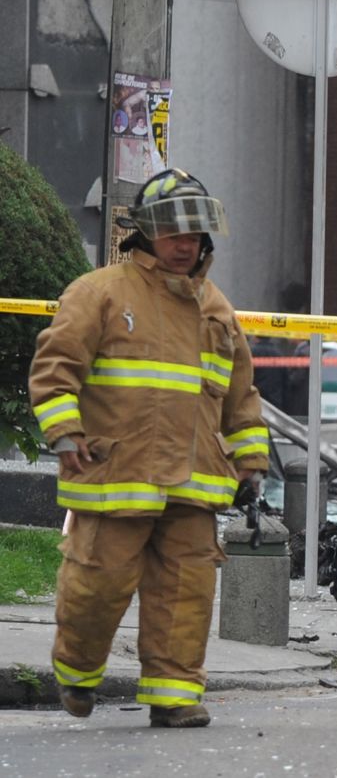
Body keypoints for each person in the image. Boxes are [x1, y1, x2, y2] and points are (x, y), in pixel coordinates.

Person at [29, 168, 269, 728]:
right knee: (97, 588)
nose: (186, 245)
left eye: (194, 235)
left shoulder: (218, 310)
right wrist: (64, 432)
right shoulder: (101, 293)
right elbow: (55, 367)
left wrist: (252, 463)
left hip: (195, 483)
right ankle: (77, 672)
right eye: (173, 234)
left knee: (186, 596)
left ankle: (176, 697)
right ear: (145, 234)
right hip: (117, 474)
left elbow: (241, 397)